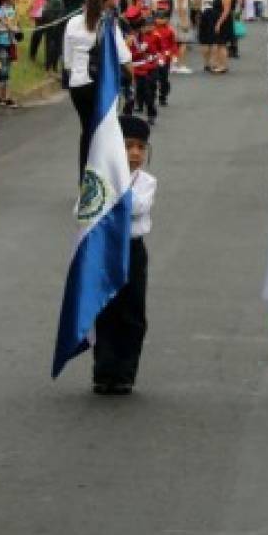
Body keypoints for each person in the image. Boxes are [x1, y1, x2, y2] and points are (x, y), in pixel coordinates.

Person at [89, 114, 157, 396]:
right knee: (105, 310)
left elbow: (136, 207)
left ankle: (125, 373)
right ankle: (104, 371)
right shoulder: (97, 178)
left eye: (141, 148)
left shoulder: (147, 181)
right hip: (105, 249)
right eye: (128, 147)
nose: (135, 154)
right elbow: (85, 210)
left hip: (132, 250)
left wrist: (114, 188)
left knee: (131, 313)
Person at [63, 0, 132, 183]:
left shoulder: (72, 22)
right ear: (105, 2)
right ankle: (103, 177)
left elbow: (67, 58)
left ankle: (84, 178)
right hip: (100, 84)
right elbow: (124, 56)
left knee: (86, 131)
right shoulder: (108, 24)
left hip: (77, 84)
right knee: (104, 131)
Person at [124, 8, 159, 123]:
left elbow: (152, 50)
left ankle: (151, 114)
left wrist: (151, 56)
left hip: (144, 67)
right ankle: (127, 117)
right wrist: (139, 51)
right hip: (131, 67)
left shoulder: (144, 35)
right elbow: (126, 54)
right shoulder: (128, 37)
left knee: (147, 93)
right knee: (131, 94)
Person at [0, 0, 20, 108]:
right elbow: (0, 25)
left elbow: (14, 24)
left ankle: (7, 97)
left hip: (10, 42)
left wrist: (16, 30)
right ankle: (0, 97)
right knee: (1, 70)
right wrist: (9, 27)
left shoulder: (12, 9)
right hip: (1, 42)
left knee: (7, 69)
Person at [195, 0, 223, 72]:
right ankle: (213, 62)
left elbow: (197, 0)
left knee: (204, 40)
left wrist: (198, 13)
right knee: (214, 39)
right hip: (215, 12)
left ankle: (206, 63)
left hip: (204, 12)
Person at [151, 3, 179, 107]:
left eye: (163, 18)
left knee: (164, 79)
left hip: (166, 57)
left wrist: (174, 55)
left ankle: (163, 96)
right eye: (158, 18)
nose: (160, 20)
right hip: (154, 58)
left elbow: (173, 44)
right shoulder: (152, 30)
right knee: (153, 78)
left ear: (167, 19)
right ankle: (152, 96)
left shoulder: (170, 31)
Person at [170, 0, 195, 73]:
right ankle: (180, 65)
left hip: (178, 15)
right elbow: (180, 7)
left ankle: (174, 64)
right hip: (180, 16)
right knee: (183, 41)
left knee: (176, 42)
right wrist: (184, 21)